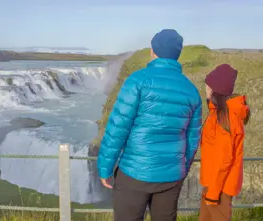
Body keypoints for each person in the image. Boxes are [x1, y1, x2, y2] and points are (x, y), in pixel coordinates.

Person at [97, 29, 202, 221]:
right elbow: (192, 139)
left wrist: (105, 167)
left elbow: (117, 129)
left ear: (153, 51)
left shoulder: (137, 81)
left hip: (134, 174)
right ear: (178, 54)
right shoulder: (191, 91)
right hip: (171, 176)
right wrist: (180, 169)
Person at [199, 64, 250, 221]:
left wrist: (213, 194)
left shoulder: (224, 118)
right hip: (214, 183)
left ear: (215, 89)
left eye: (208, 85)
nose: (205, 88)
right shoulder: (219, 113)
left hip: (219, 187)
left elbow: (224, 160)